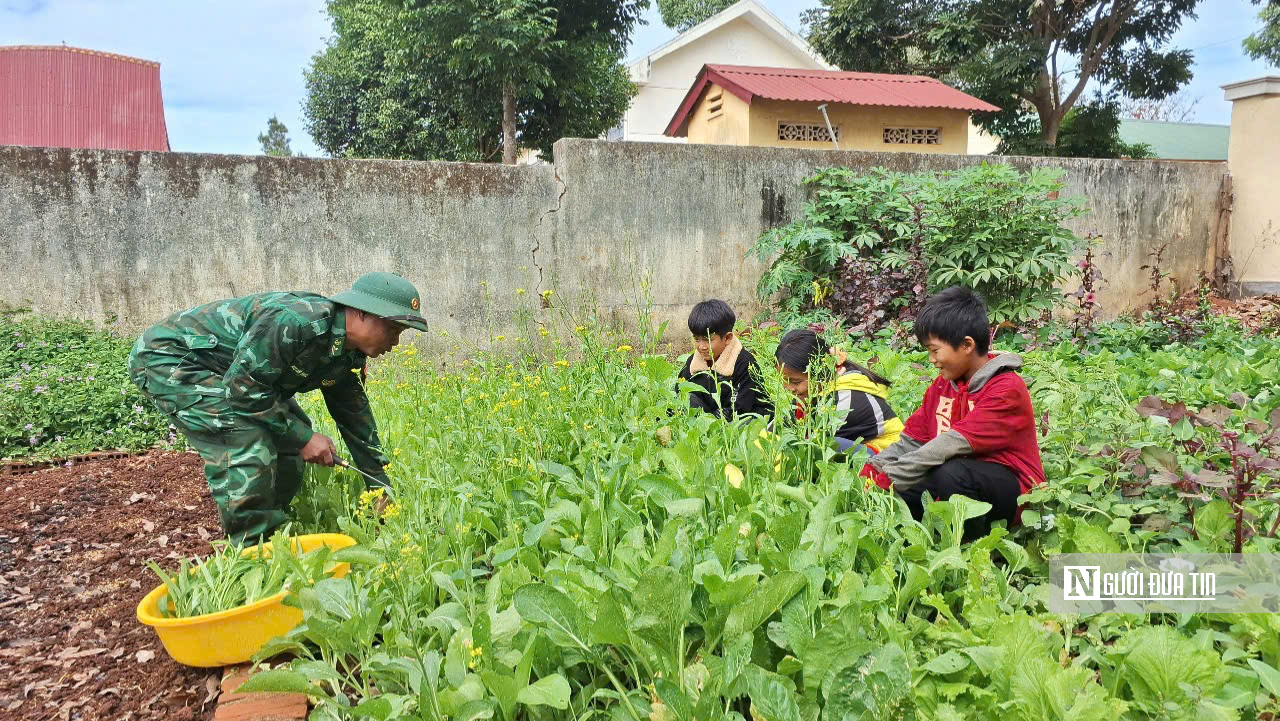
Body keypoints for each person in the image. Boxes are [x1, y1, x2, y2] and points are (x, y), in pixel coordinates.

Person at [127, 272, 428, 544]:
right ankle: (252, 551)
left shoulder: (348, 354)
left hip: (235, 376)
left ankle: (272, 525)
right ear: (362, 312)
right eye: (392, 330)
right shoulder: (298, 322)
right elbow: (241, 391)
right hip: (172, 359)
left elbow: (357, 423)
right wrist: (302, 438)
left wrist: (382, 490)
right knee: (243, 435)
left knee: (289, 435)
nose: (395, 343)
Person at [864, 286, 1045, 537]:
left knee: (952, 472)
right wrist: (874, 469)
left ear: (967, 345)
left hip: (1017, 495)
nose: (931, 359)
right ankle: (922, 543)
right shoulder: (941, 387)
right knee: (909, 484)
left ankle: (971, 551)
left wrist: (890, 476)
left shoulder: (1006, 389)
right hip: (957, 481)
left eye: (935, 350)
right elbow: (911, 442)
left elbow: (951, 444)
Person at [774, 328, 902, 454]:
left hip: (890, 458)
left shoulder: (846, 398)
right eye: (784, 381)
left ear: (820, 372)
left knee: (824, 445)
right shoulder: (814, 390)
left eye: (796, 382)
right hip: (866, 452)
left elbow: (810, 448)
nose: (789, 388)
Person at [677, 299, 772, 419]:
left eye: (708, 340)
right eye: (697, 339)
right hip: (707, 421)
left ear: (727, 338)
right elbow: (681, 390)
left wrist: (728, 413)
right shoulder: (693, 363)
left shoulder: (745, 363)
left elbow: (745, 403)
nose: (701, 347)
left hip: (742, 420)